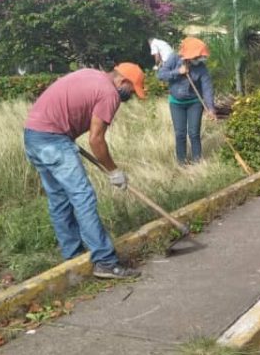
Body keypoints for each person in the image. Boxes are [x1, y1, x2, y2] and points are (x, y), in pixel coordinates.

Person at [23, 63, 147, 279]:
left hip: (33, 135)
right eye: (132, 90)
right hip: (53, 139)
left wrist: (64, 133)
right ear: (123, 82)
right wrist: (114, 171)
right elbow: (96, 140)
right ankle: (105, 262)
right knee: (83, 197)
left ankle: (73, 257)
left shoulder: (91, 74)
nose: (131, 96)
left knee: (59, 200)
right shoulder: (110, 94)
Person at [157, 37, 216, 164]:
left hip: (194, 103)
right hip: (176, 103)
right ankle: (181, 162)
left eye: (199, 57)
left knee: (194, 133)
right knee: (180, 133)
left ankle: (197, 161)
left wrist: (210, 108)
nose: (198, 60)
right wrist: (178, 72)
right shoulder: (174, 59)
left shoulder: (201, 68)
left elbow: (207, 88)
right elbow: (160, 75)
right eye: (196, 57)